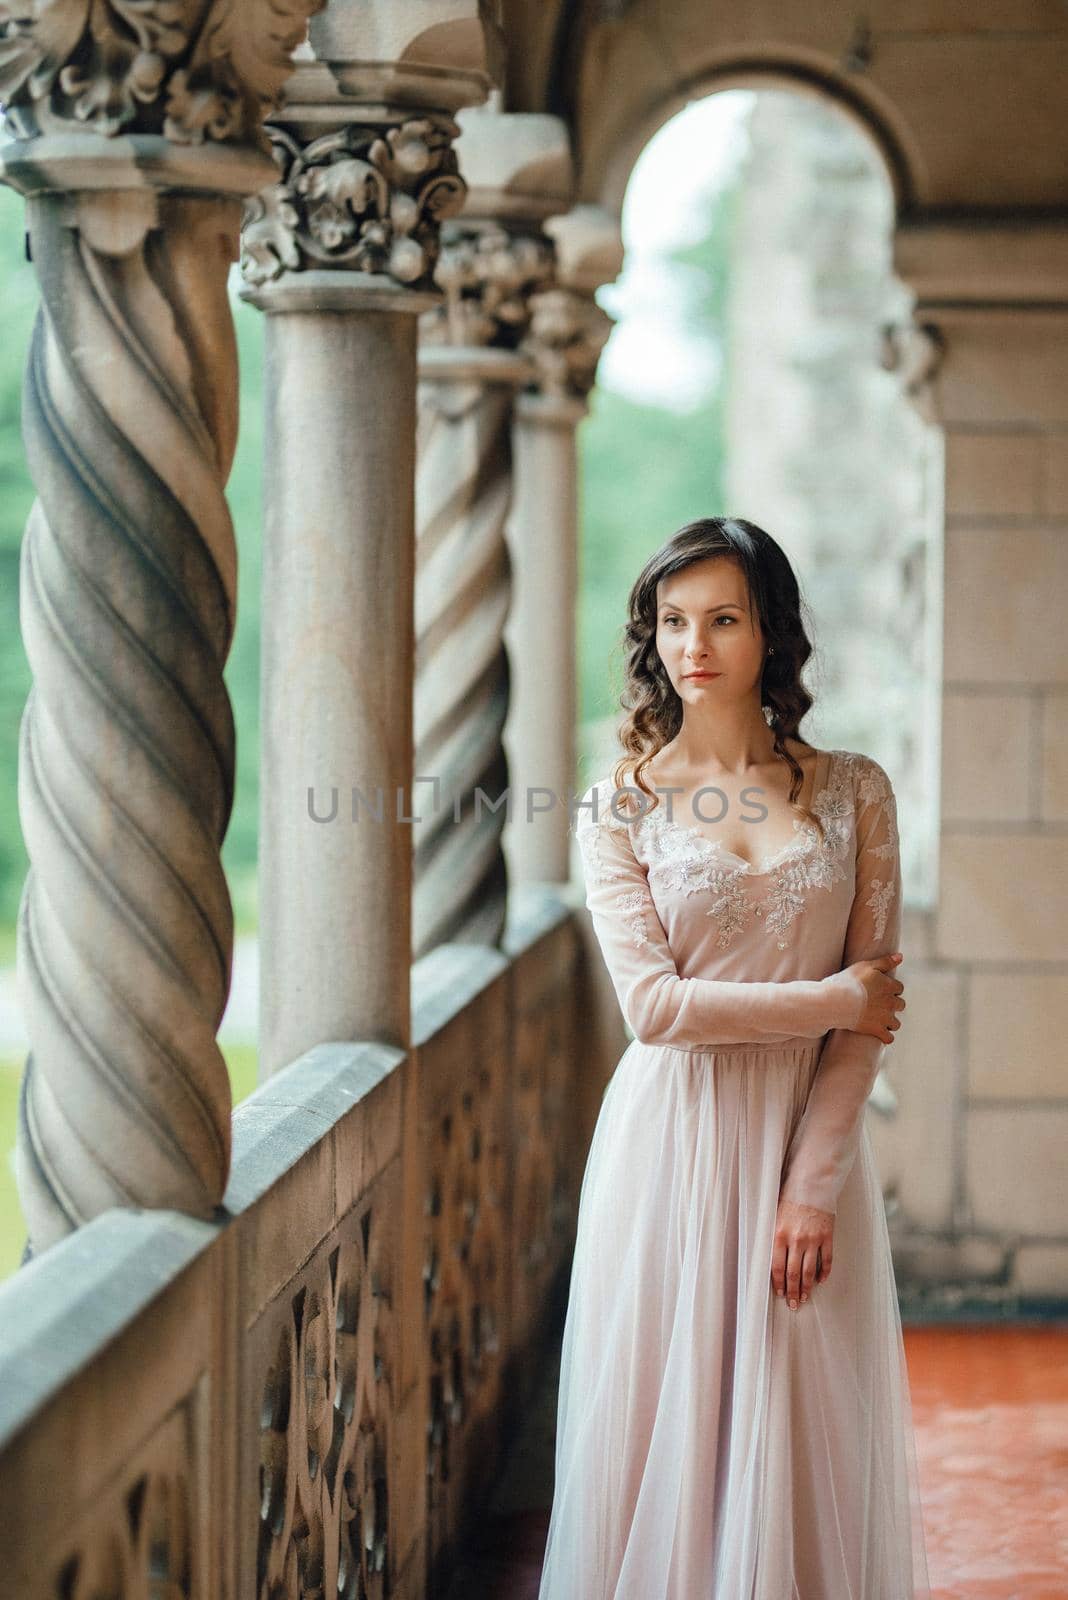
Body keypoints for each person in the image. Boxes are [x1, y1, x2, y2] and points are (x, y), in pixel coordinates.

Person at [537, 517, 930, 1598]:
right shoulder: (618, 800)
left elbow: (870, 1018)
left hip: (807, 1149)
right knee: (668, 1432)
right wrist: (836, 993)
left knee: (792, 1429)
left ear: (772, 631)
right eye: (671, 620)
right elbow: (655, 1010)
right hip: (670, 1147)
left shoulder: (856, 791)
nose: (692, 644)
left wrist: (812, 1187)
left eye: (722, 617)